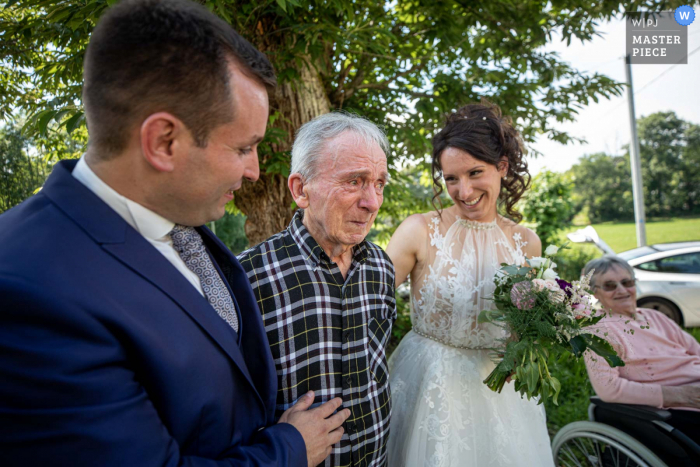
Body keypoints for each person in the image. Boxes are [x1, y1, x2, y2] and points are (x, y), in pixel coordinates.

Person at [0, 0, 349, 465]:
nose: (254, 171)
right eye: (244, 147)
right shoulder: (29, 289)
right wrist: (289, 448)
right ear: (164, 141)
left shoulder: (180, 221)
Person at [385, 101, 555, 466]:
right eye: (451, 178)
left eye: (475, 173)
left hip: (502, 397)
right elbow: (367, 304)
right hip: (430, 388)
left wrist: (521, 349)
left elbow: (525, 321)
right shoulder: (419, 231)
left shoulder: (526, 242)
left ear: (502, 167)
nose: (463, 191)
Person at [238, 112, 396, 467]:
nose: (372, 201)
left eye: (380, 184)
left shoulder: (381, 267)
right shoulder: (247, 277)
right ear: (300, 190)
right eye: (355, 181)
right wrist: (274, 447)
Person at [582, 255, 700, 444]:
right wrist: (681, 396)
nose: (622, 290)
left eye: (627, 282)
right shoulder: (598, 330)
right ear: (595, 292)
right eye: (610, 286)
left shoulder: (654, 316)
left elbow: (696, 351)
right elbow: (608, 389)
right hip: (680, 407)